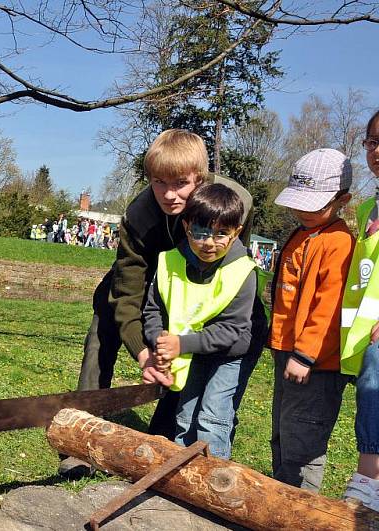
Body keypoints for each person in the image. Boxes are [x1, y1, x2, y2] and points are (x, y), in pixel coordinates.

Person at [63, 129, 254, 478]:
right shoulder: (139, 213)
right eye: (158, 182)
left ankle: (171, 434)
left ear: (201, 177)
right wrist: (141, 350)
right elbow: (128, 290)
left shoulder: (233, 199)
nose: (169, 194)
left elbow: (235, 265)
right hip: (151, 274)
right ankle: (81, 434)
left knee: (194, 340)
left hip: (198, 278)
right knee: (103, 324)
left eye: (181, 183)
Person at [143, 184, 267, 459]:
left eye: (221, 234)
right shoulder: (168, 262)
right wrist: (159, 341)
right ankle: (181, 474)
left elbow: (233, 330)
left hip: (231, 353)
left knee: (213, 415)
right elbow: (153, 309)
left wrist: (181, 344)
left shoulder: (243, 271)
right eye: (200, 232)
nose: (209, 242)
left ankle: (214, 477)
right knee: (186, 413)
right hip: (193, 349)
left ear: (236, 232)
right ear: (186, 226)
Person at [269, 148, 354, 492]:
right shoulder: (303, 232)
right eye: (298, 202)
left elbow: (329, 307)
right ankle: (279, 500)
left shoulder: (338, 242)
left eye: (313, 204)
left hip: (314, 367)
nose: (302, 210)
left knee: (303, 442)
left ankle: (301, 508)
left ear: (342, 199)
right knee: (282, 434)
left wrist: (305, 354)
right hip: (285, 354)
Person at [340, 112, 379, 511]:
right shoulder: (370, 208)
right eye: (372, 142)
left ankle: (370, 478)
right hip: (366, 335)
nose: (377, 151)